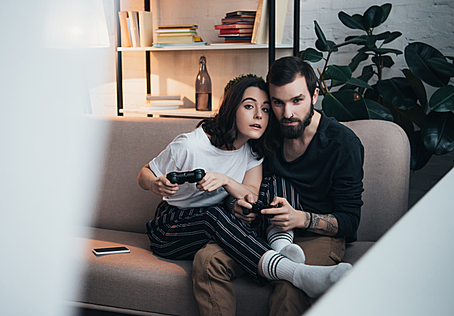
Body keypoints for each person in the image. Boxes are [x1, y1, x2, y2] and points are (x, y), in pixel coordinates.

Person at [138, 75, 351, 294]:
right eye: (249, 106)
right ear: (232, 108)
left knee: (277, 181)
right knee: (214, 215)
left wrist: (226, 180)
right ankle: (296, 273)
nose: (259, 115)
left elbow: (251, 194)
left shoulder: (252, 149)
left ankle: (282, 247)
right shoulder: (190, 145)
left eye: (266, 109)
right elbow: (144, 173)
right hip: (171, 228)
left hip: (217, 218)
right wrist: (155, 183)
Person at [192, 56, 364, 316]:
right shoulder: (266, 129)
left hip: (315, 235)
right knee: (207, 261)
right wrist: (236, 204)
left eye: (297, 101)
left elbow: (350, 220)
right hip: (263, 228)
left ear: (314, 95)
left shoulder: (342, 144)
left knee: (291, 286)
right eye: (278, 103)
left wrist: (300, 218)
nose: (288, 114)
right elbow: (239, 177)